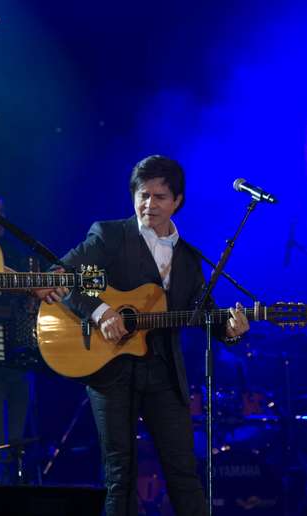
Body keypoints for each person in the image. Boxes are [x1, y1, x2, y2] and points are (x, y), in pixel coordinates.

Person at [38, 155, 250, 515]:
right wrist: (102, 311)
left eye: (160, 197)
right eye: (143, 194)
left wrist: (230, 330)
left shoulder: (188, 257)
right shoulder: (109, 235)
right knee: (120, 475)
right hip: (111, 370)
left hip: (164, 373)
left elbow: (204, 313)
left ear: (177, 202)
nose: (149, 204)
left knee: (183, 473)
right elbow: (59, 276)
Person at [0, 193, 40, 486]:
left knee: (17, 439)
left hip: (19, 358)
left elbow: (30, 302)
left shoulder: (17, 253)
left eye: (2, 212)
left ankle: (16, 494)